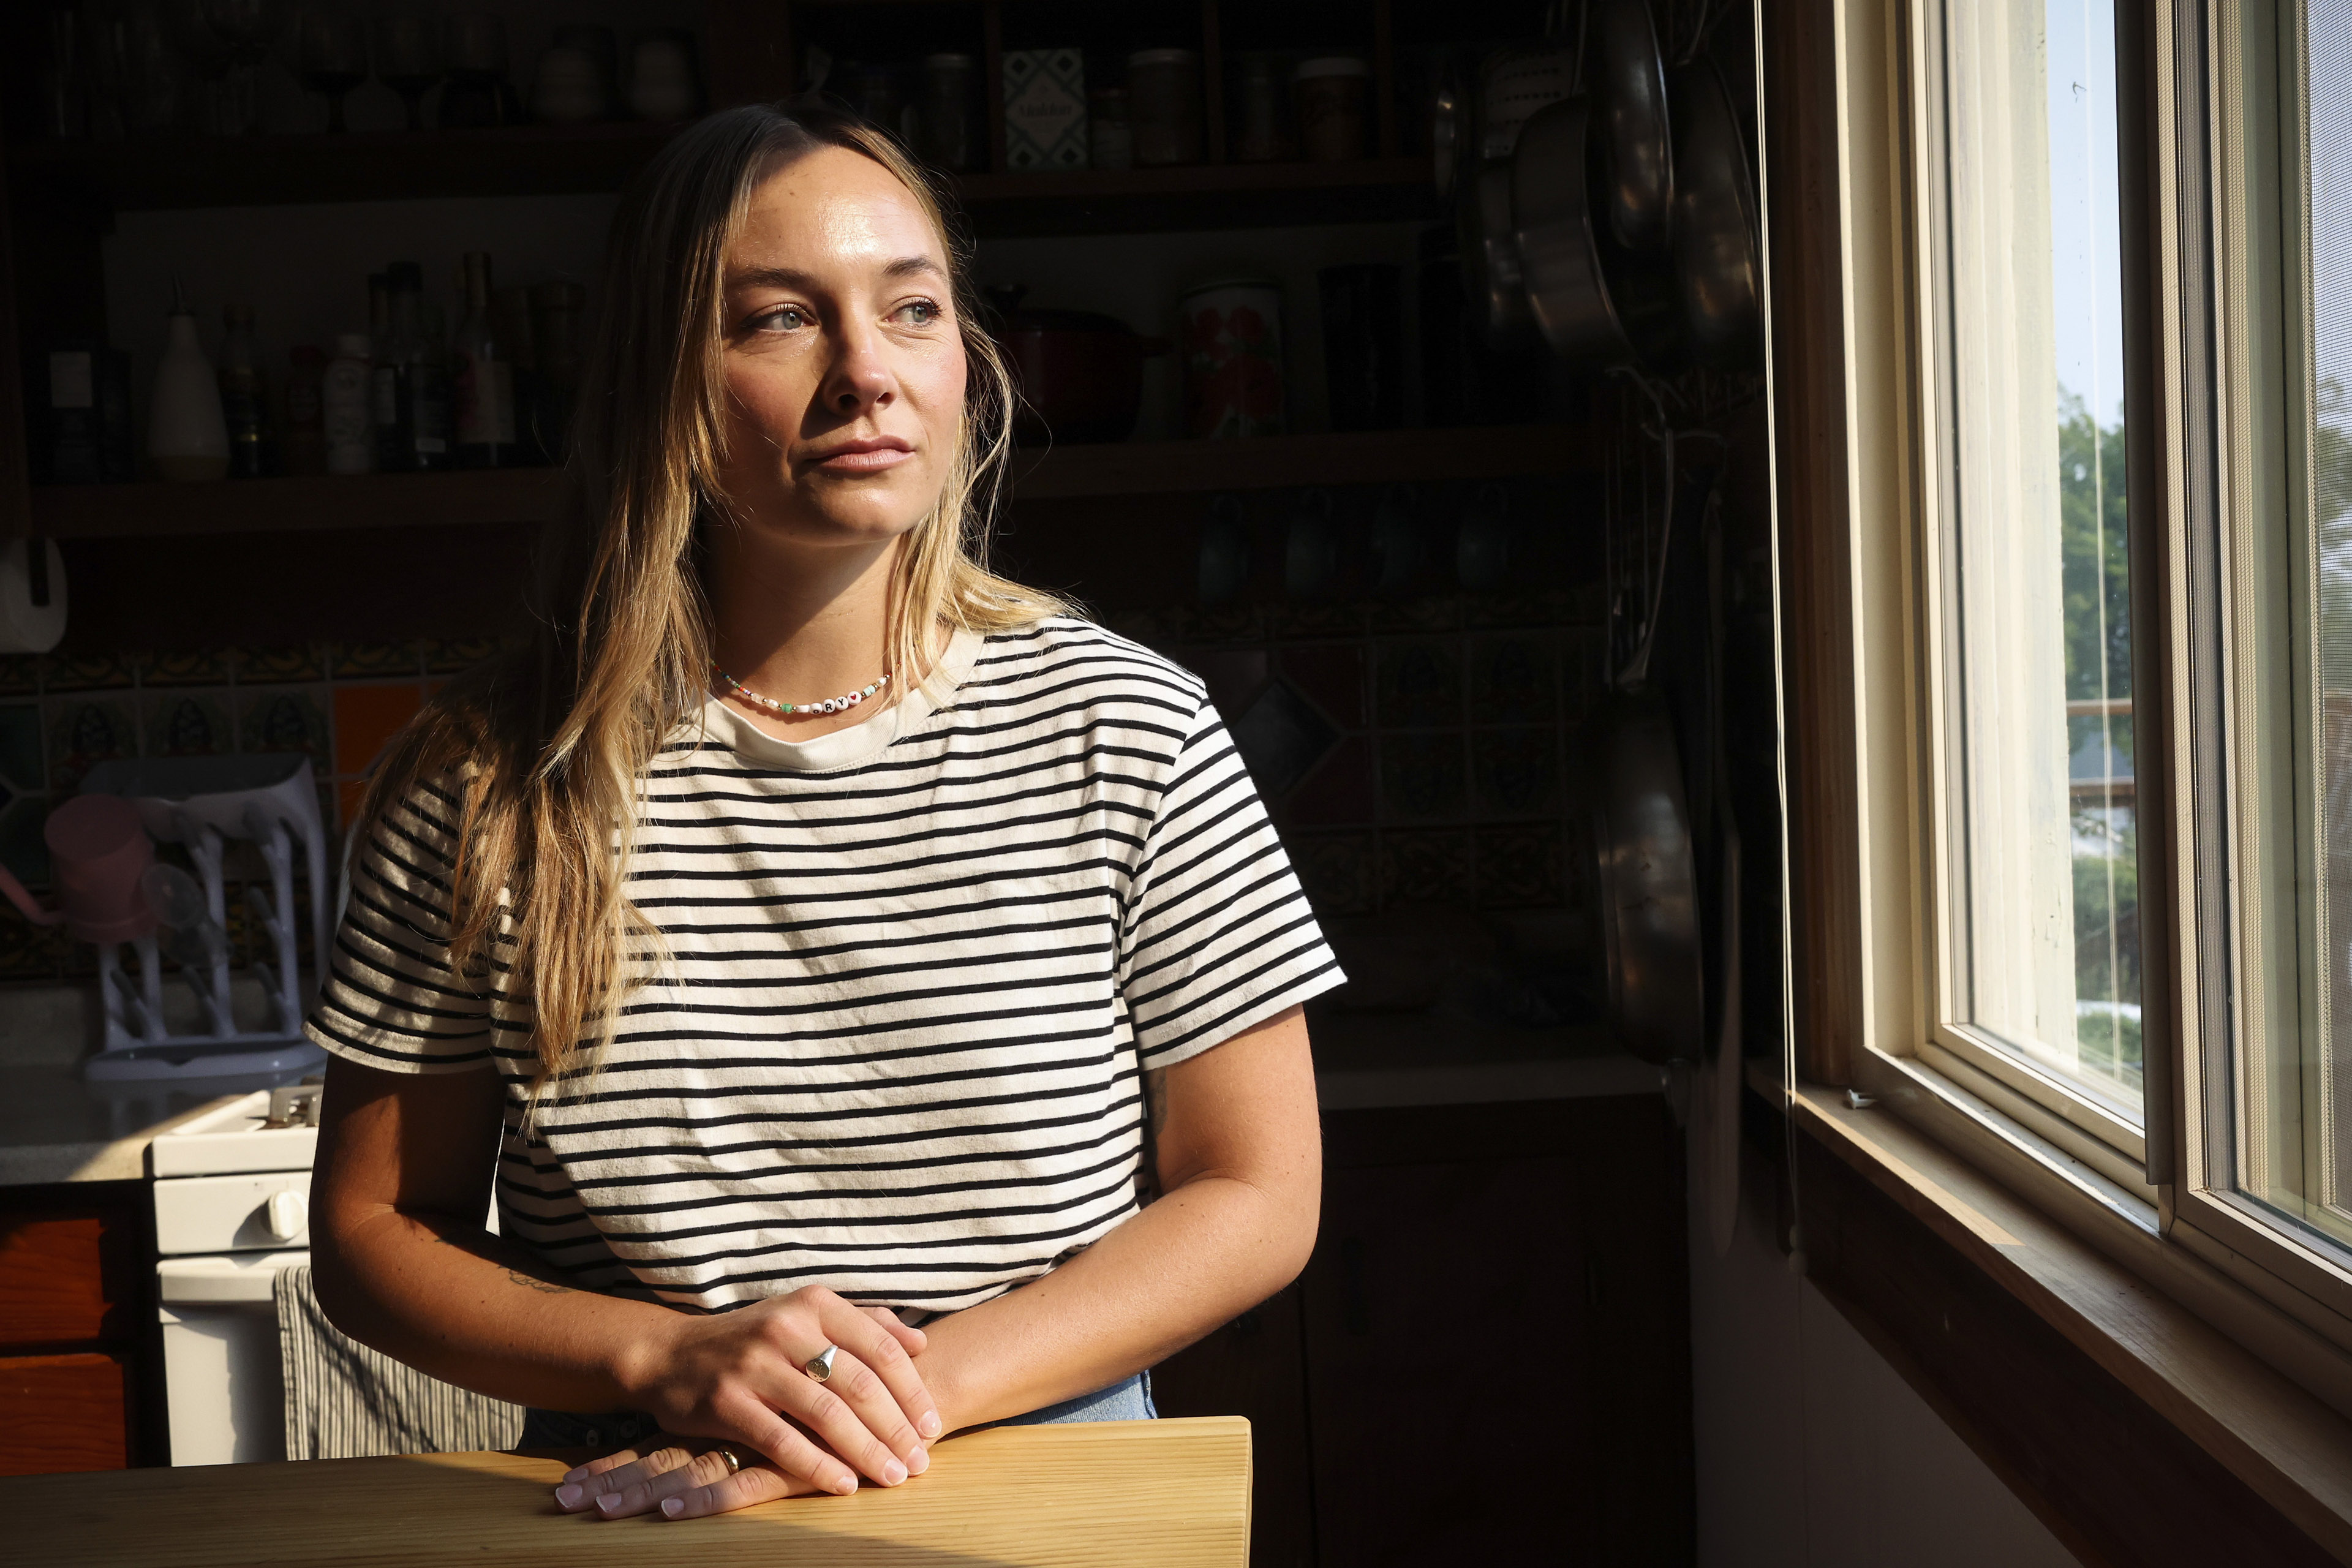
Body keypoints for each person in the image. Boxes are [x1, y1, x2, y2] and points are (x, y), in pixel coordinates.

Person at [304, 103, 1340, 1523]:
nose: (869, 373)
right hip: (639, 1495)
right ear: (662, 377)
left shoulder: (1127, 725)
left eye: (912, 307)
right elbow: (370, 1231)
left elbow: (1258, 1191)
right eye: (782, 319)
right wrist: (662, 1353)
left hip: (1049, 1474)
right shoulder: (489, 780)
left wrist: (880, 1403)